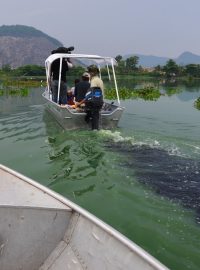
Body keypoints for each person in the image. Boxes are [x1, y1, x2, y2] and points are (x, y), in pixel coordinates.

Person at [74, 65, 104, 130]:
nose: (89, 74)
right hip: (99, 102)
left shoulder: (93, 81)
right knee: (95, 118)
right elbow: (99, 93)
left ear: (92, 73)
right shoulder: (100, 80)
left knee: (93, 121)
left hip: (94, 104)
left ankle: (94, 131)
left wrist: (79, 103)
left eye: (89, 72)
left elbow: (90, 95)